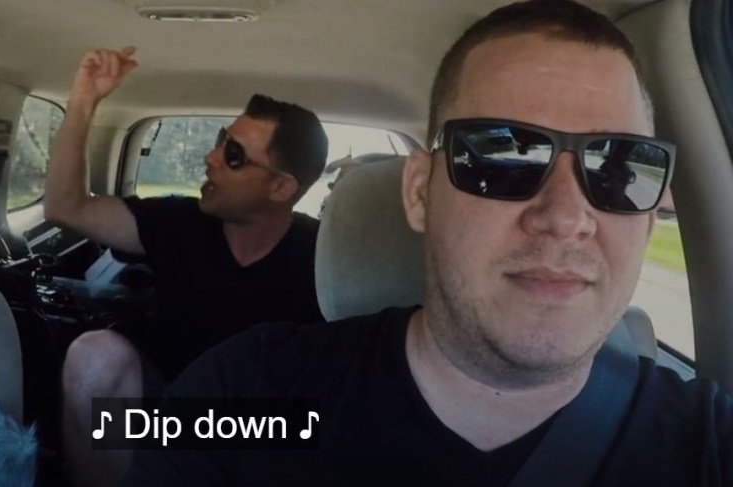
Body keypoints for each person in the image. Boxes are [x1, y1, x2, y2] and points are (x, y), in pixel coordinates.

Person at [122, 1, 733, 485]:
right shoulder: (249, 394)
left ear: (650, 218)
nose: (566, 218)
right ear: (420, 194)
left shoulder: (708, 446)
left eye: (619, 166)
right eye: (501, 157)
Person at [44, 47, 329, 486]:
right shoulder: (180, 222)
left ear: (280, 187)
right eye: (220, 140)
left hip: (269, 435)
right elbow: (67, 207)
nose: (211, 158)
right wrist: (84, 99)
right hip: (168, 420)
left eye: (234, 154)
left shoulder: (324, 257)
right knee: (94, 355)